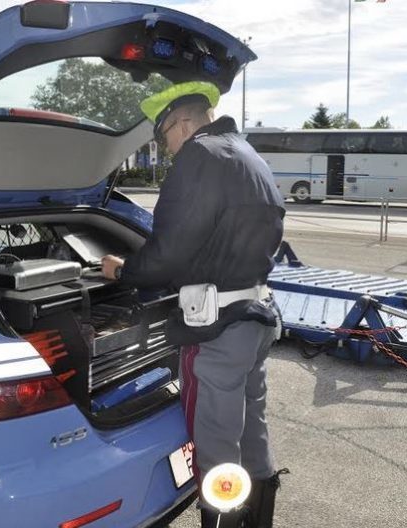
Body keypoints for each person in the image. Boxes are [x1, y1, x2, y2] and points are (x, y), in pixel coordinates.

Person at [101, 81, 286, 528]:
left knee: (216, 446)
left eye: (164, 137)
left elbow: (169, 251)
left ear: (181, 123)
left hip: (217, 329)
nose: (167, 149)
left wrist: (122, 271)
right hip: (257, 314)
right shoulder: (247, 155)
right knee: (251, 431)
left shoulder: (198, 157)